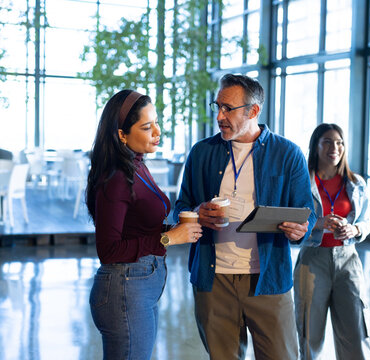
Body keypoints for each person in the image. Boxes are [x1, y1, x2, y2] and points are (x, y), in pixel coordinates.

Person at [174, 73, 317, 360]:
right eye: (217, 107)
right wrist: (196, 213)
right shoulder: (202, 152)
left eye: (228, 108)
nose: (220, 116)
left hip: (268, 280)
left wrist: (301, 229)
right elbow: (180, 205)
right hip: (213, 280)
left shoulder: (288, 153)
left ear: (253, 111)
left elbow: (307, 213)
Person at [86, 89, 202, 359]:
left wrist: (173, 231)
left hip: (140, 282)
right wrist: (169, 239)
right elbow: (108, 250)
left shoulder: (136, 164)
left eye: (157, 123)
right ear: (122, 135)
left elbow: (135, 226)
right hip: (126, 285)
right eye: (147, 127)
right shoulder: (116, 176)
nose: (157, 132)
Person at [294, 123, 370, 360]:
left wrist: (354, 228)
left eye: (339, 143)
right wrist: (319, 223)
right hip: (312, 260)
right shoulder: (301, 183)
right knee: (310, 333)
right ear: (315, 146)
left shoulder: (356, 183)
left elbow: (366, 221)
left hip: (348, 260)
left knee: (356, 331)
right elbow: (290, 222)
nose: (334, 147)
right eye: (327, 141)